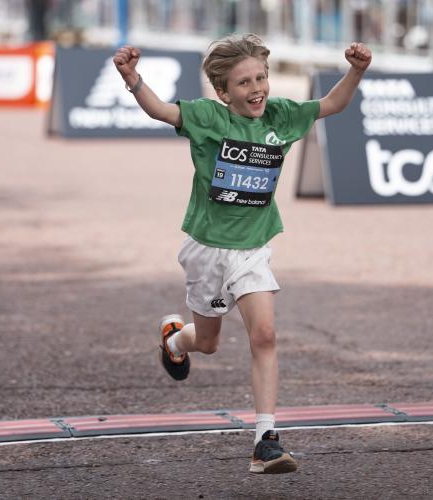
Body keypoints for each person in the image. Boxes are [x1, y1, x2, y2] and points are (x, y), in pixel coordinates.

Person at [113, 33, 371, 474]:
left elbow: (332, 104)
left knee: (265, 335)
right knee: (208, 342)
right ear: (223, 92)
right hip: (206, 250)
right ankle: (175, 339)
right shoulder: (207, 117)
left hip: (253, 249)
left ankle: (265, 441)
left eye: (261, 78)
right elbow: (160, 110)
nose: (256, 89)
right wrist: (132, 77)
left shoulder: (283, 116)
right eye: (244, 83)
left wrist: (357, 71)